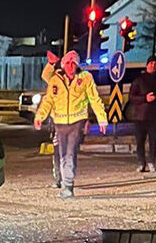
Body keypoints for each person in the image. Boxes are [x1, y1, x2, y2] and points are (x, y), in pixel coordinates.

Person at [35, 50, 108, 198]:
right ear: (63, 64)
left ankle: (68, 186)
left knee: (70, 153)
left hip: (77, 121)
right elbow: (48, 100)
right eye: (67, 63)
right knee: (62, 154)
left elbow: (94, 99)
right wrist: (40, 116)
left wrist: (102, 118)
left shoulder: (85, 78)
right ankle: (62, 181)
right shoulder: (56, 79)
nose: (70, 66)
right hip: (59, 122)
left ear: (76, 64)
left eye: (73, 63)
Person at [128, 54, 156, 172]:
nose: (153, 65)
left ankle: (151, 162)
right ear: (147, 65)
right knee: (140, 142)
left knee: (154, 141)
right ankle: (141, 162)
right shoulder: (139, 80)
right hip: (140, 117)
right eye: (151, 63)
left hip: (154, 117)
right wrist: (145, 98)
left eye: (155, 64)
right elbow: (131, 98)